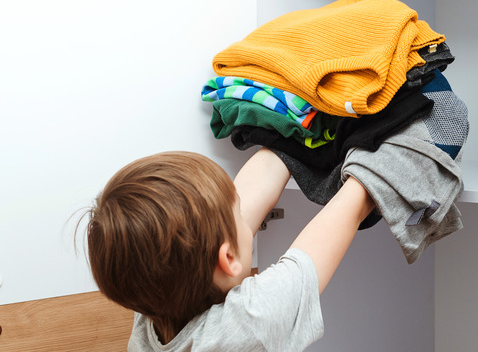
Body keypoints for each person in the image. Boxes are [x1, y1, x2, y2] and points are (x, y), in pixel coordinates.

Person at [81, 147, 375, 351]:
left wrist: (290, 133)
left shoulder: (150, 308)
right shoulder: (249, 322)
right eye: (239, 213)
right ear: (229, 258)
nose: (244, 214)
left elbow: (252, 190)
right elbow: (348, 210)